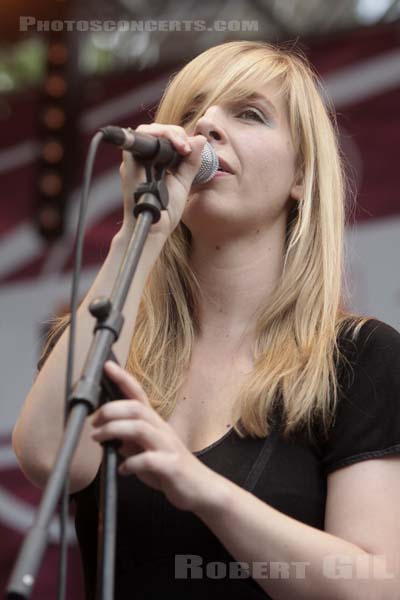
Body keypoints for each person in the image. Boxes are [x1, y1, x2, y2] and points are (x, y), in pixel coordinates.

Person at [12, 40, 400, 599]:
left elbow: (375, 588)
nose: (207, 127)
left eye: (248, 113)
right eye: (193, 114)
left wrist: (198, 487)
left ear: (300, 176)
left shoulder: (358, 357)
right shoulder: (111, 342)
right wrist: (137, 232)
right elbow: (49, 458)